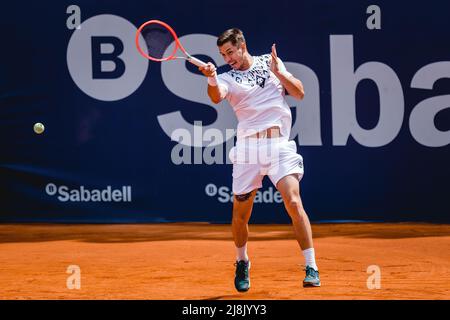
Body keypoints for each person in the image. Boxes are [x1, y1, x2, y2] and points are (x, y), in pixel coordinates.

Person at [199, 28, 320, 292]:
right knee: (240, 214)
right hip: (247, 151)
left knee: (294, 200)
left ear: (242, 45)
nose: (227, 58)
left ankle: (311, 265)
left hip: (278, 146)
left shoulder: (270, 62)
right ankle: (242, 261)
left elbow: (299, 93)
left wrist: (281, 73)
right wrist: (211, 78)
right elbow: (217, 96)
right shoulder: (227, 77)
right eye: (222, 54)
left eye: (230, 52)